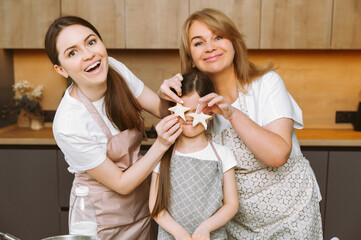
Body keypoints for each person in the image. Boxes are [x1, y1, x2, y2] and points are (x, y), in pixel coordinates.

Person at [160, 8, 323, 240]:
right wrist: (162, 94)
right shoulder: (194, 104)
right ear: (190, 57)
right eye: (198, 43)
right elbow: (165, 120)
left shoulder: (267, 84)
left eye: (218, 37)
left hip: (290, 215)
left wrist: (232, 114)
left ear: (234, 44)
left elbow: (277, 155)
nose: (210, 47)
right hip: (235, 223)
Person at [44, 16, 182, 239]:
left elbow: (161, 110)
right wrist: (162, 144)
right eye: (73, 52)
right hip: (101, 220)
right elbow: (121, 184)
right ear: (61, 70)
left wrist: (171, 94)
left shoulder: (113, 68)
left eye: (90, 42)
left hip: (141, 207)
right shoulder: (69, 123)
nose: (89, 54)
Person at [150, 70, 239, 240]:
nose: (189, 117)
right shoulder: (161, 154)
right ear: (172, 110)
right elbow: (156, 207)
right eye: (184, 110)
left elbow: (231, 204)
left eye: (196, 111)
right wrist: (179, 233)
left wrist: (205, 228)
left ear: (211, 113)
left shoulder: (223, 155)